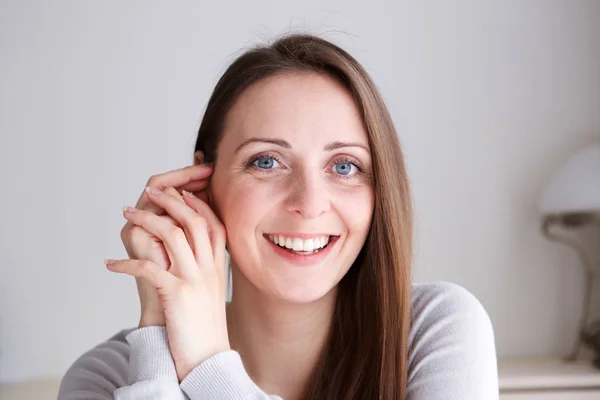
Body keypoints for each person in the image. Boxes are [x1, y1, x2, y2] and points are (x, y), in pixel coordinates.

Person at [58, 33, 499, 399]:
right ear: (202, 186)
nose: (309, 203)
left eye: (344, 166)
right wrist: (158, 340)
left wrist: (207, 365)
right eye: (266, 162)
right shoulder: (109, 378)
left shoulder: (436, 331)